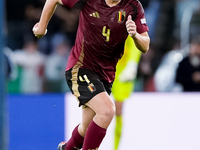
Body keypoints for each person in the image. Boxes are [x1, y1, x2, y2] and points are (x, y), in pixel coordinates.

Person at [32, 0, 150, 149]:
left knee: (86, 128)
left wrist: (135, 36)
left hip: (105, 75)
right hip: (81, 68)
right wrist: (41, 28)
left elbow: (145, 45)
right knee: (107, 111)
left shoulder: (133, 6)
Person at [112, 35, 141, 150]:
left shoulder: (129, 19)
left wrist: (132, 64)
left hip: (122, 71)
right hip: (105, 67)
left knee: (118, 109)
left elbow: (135, 42)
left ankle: (116, 147)